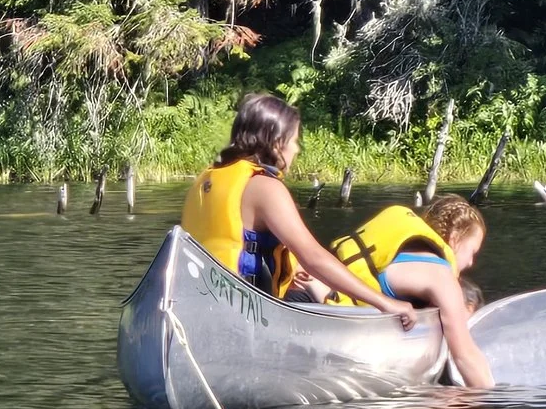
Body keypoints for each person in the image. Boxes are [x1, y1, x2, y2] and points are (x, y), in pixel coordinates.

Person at [179, 93, 417, 327]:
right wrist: (384, 303)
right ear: (276, 143)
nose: (296, 149)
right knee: (323, 298)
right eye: (294, 140)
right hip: (241, 316)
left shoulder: (206, 181)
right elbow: (313, 258)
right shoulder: (266, 188)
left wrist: (293, 270)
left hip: (199, 309)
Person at [287, 193, 495, 389]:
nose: (471, 262)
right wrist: (492, 401)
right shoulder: (443, 279)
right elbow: (465, 356)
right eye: (472, 252)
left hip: (297, 302)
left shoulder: (400, 245)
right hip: (320, 329)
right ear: (455, 239)